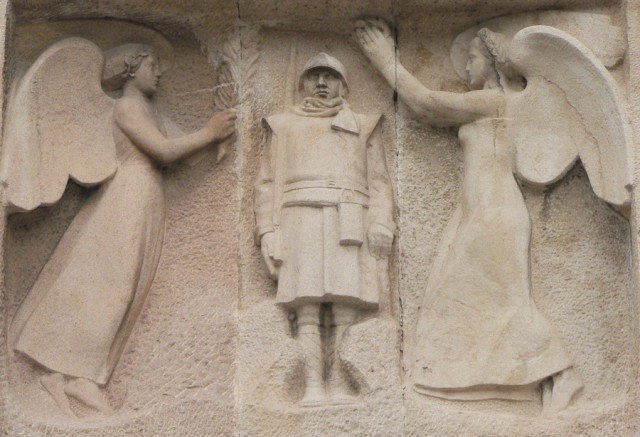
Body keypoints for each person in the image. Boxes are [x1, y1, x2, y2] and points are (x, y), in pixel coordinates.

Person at [354, 19, 583, 414]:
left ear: (493, 65)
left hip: (495, 212)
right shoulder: (489, 103)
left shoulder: (495, 101)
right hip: (477, 211)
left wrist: (383, 59)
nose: (466, 70)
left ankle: (562, 373)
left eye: (472, 60)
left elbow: (425, 105)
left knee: (507, 301)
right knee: (462, 296)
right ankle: (504, 387)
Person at [9, 42, 236, 416]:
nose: (159, 72)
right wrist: (210, 134)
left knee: (129, 289)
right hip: (126, 197)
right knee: (112, 287)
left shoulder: (149, 109)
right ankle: (67, 374)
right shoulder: (127, 107)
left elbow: (183, 149)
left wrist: (217, 133)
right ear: (131, 69)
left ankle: (81, 377)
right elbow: (164, 151)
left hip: (146, 198)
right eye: (152, 64)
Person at [254, 52, 395, 406]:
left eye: (329, 76)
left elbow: (379, 181)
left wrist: (380, 220)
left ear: (343, 85)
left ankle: (338, 382)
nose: (321, 83)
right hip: (299, 216)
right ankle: (313, 386)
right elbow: (267, 183)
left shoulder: (363, 124)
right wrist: (268, 231)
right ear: (303, 83)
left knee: (346, 302)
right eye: (314, 76)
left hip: (349, 215)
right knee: (307, 306)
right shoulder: (283, 125)